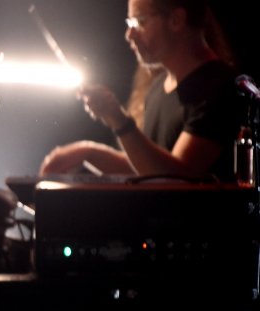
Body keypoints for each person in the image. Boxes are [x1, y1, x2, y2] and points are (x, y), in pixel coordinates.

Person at [39, 0, 246, 182]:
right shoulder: (158, 88)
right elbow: (147, 169)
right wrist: (88, 152)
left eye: (139, 22)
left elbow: (178, 179)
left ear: (176, 20)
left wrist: (118, 120)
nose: (129, 34)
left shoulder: (219, 87)